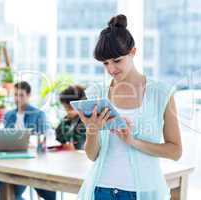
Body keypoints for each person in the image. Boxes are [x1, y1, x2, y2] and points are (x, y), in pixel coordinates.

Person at [77, 15, 182, 200]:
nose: (111, 69)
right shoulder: (97, 94)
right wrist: (92, 130)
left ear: (133, 52)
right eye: (105, 63)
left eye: (117, 61)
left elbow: (175, 151)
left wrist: (133, 142)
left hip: (142, 192)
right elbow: (92, 156)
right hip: (101, 190)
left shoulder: (161, 93)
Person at [4, 81, 56, 200]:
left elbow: (45, 137)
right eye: (15, 95)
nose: (17, 98)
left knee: (48, 194)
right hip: (13, 159)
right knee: (11, 191)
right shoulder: (8, 115)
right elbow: (5, 137)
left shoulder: (38, 114)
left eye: (21, 95)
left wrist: (31, 141)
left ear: (28, 95)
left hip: (33, 160)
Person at [55, 85, 86, 150]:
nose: (67, 111)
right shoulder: (68, 119)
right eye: (65, 107)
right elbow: (58, 135)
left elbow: (81, 144)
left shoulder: (86, 120)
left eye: (69, 107)